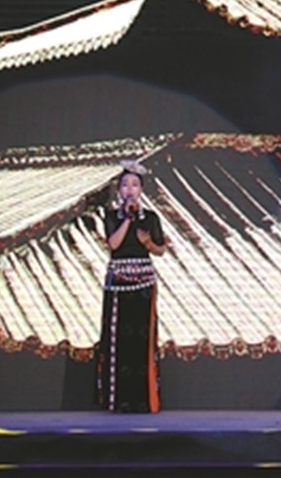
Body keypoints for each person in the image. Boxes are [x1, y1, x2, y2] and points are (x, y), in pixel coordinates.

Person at [95, 160, 168, 413]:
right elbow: (113, 244)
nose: (129, 189)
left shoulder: (151, 218)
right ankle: (117, 399)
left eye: (134, 185)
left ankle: (143, 399)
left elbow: (161, 250)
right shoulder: (111, 217)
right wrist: (127, 219)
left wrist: (148, 244)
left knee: (142, 340)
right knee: (118, 341)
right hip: (118, 283)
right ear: (119, 190)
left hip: (144, 282)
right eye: (125, 185)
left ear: (141, 190)